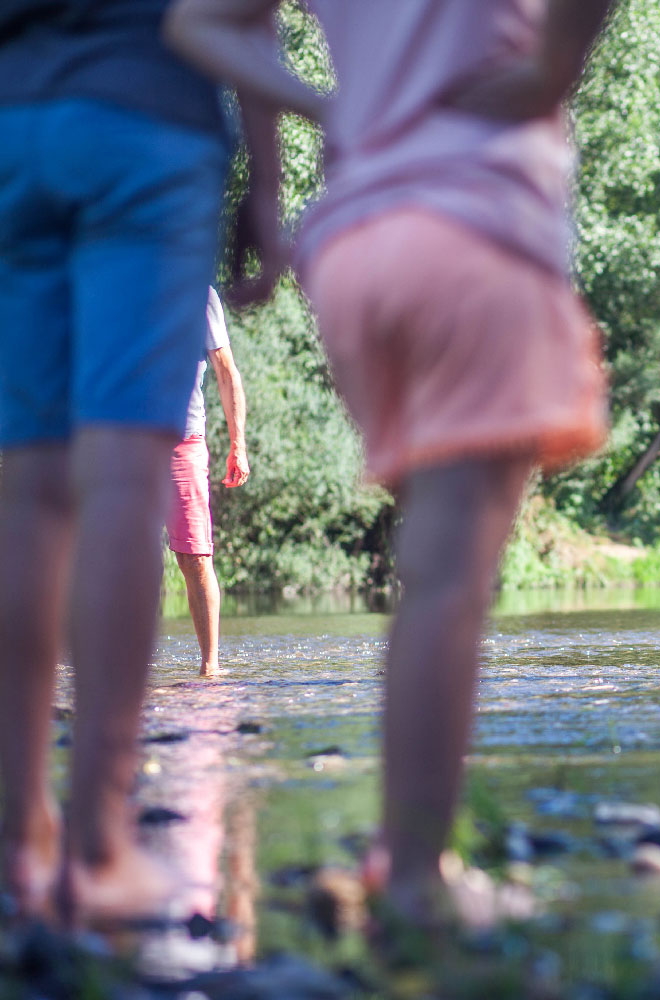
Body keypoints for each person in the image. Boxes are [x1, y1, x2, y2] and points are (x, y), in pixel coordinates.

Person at [165, 0, 612, 925]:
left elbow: (205, 23)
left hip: (357, 241)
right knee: (448, 578)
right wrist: (550, 66)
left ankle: (410, 860)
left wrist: (317, 122)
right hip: (476, 215)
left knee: (430, 564)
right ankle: (415, 876)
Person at [0, 0, 265, 928]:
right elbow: (244, 17)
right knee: (120, 477)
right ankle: (97, 848)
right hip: (148, 122)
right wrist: (266, 180)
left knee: (27, 487)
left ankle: (17, 834)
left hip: (16, 114)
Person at [170, 287, 249, 678]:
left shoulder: (199, 294)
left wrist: (239, 444)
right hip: (122, 439)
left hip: (183, 439)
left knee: (195, 557)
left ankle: (210, 668)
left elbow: (225, 370)